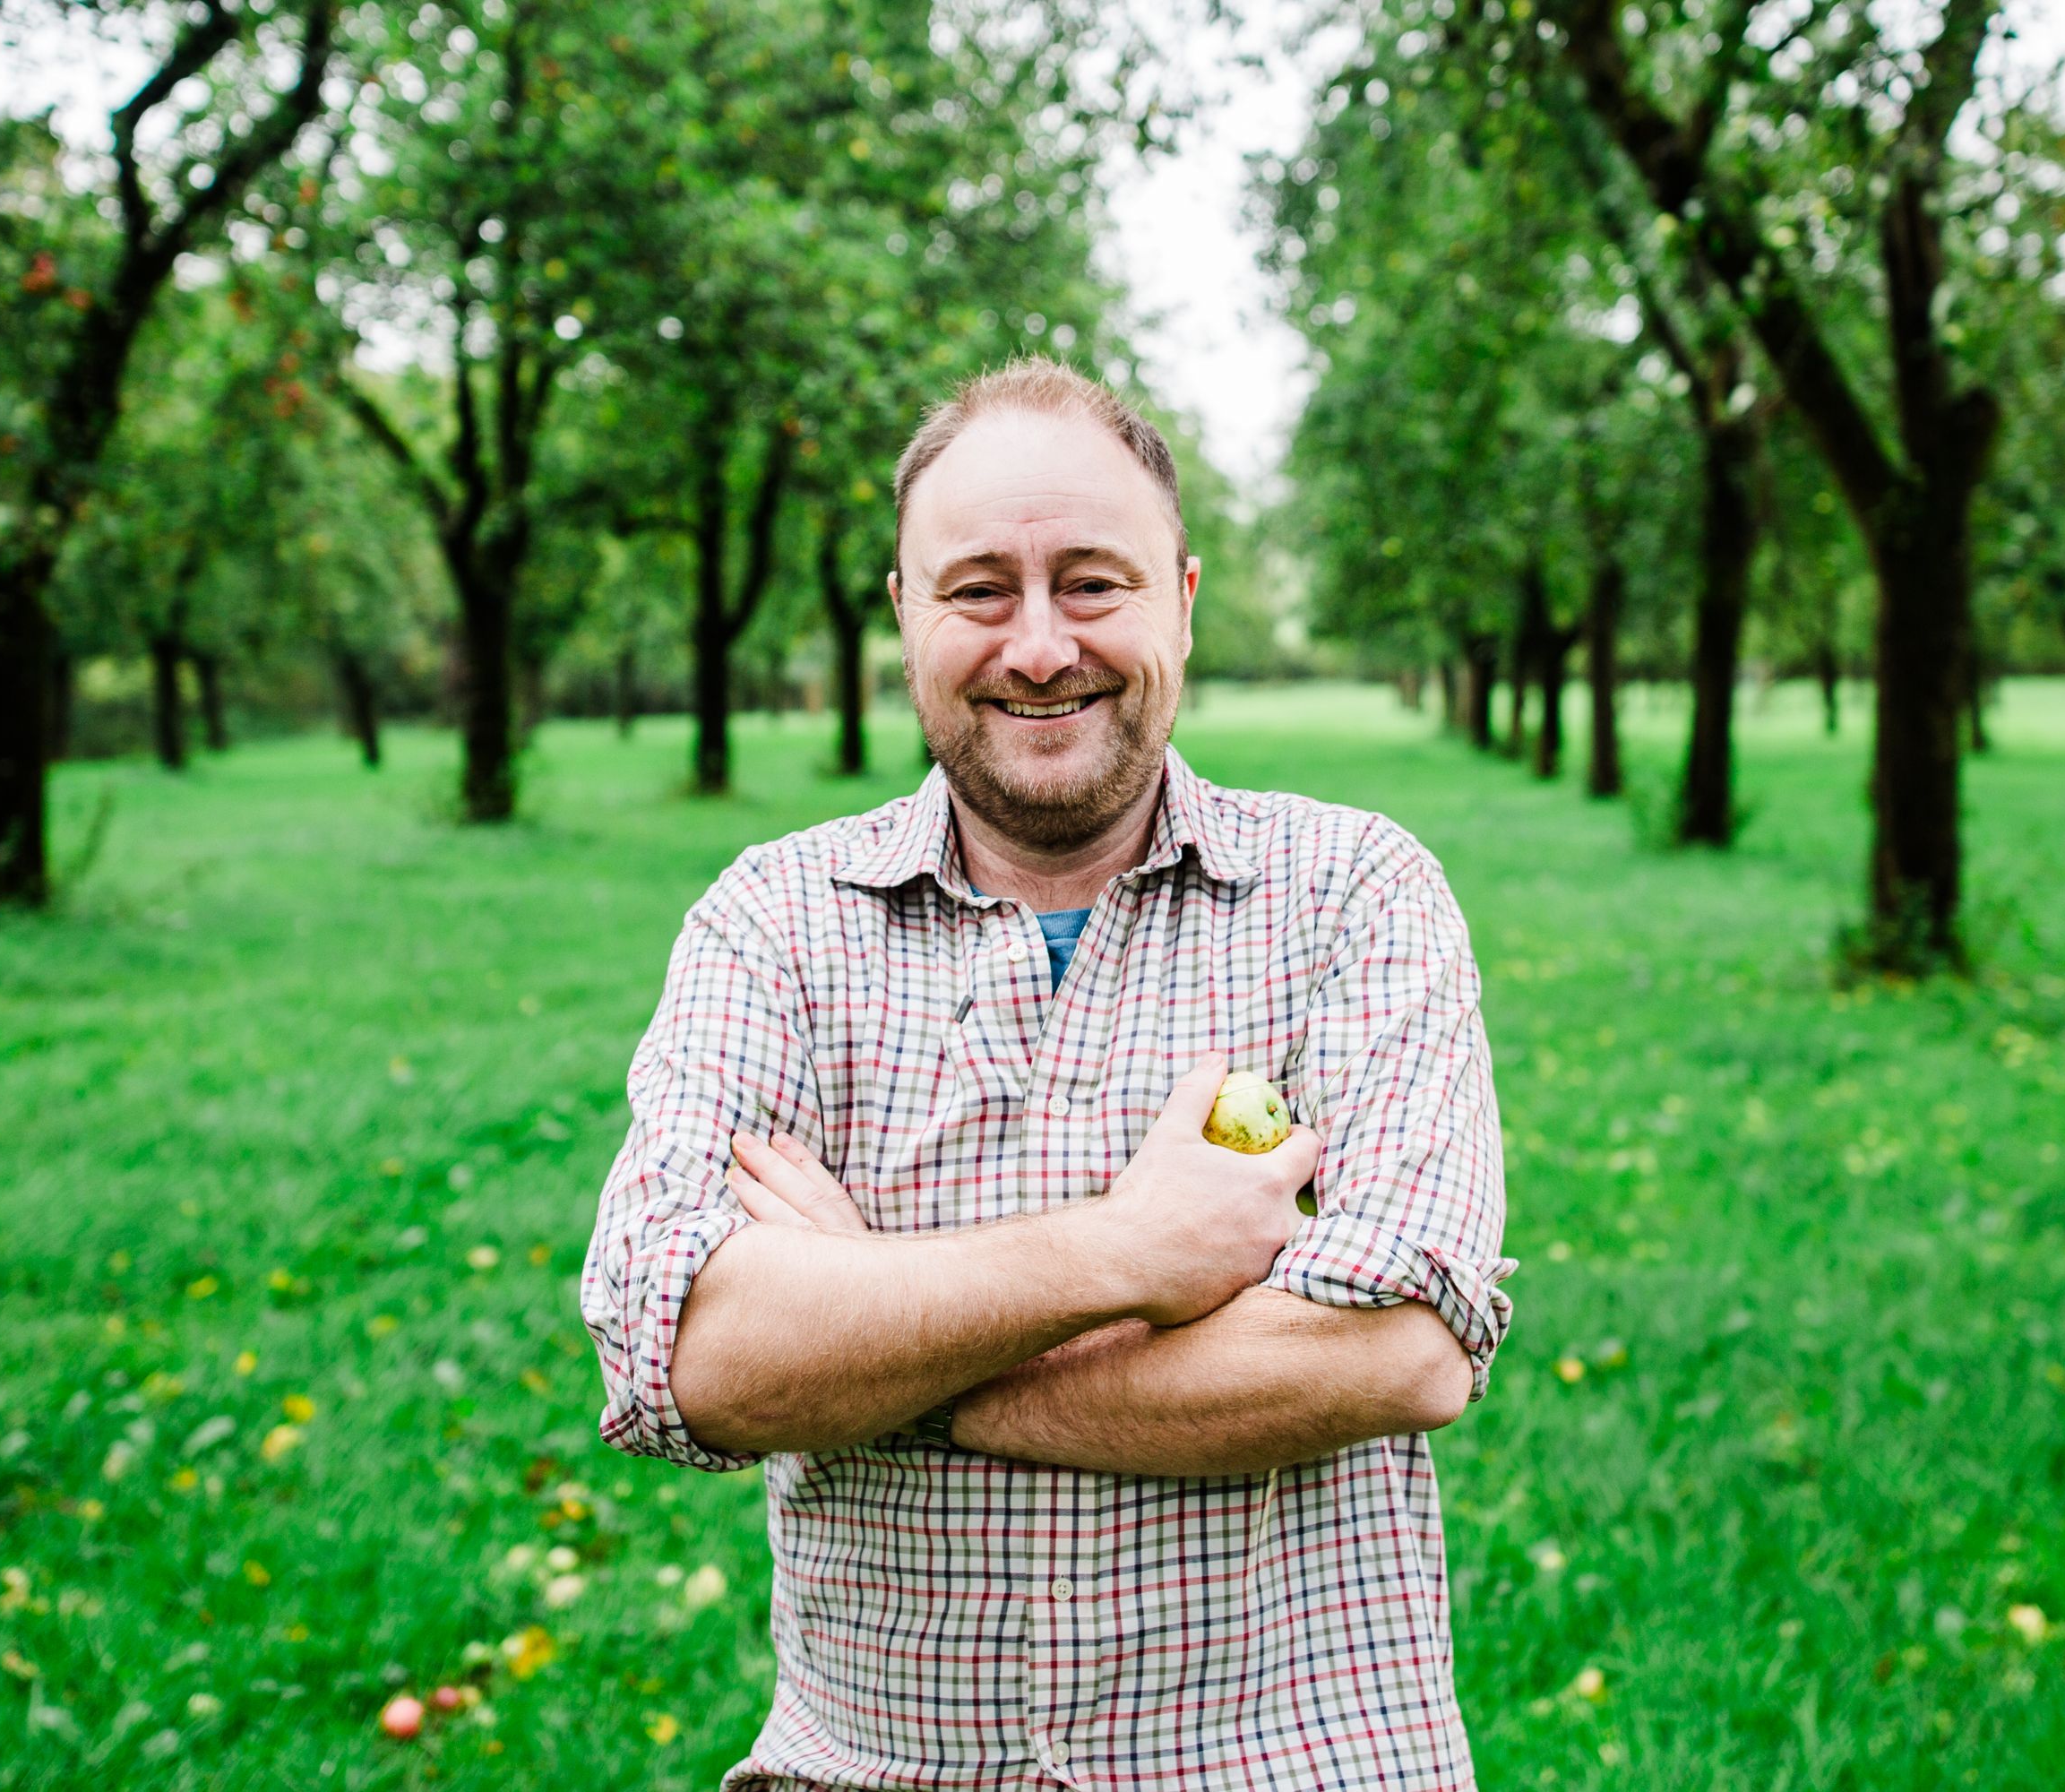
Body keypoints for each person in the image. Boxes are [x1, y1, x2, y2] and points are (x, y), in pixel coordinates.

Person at [581, 356, 1518, 1791]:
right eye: (977, 592)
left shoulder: (1352, 896)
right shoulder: (773, 923)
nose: (1036, 646)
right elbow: (694, 1360)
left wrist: (892, 1350)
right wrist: (1127, 1253)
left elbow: (1397, 1352)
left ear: (1182, 604)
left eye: (1092, 583)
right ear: (903, 614)